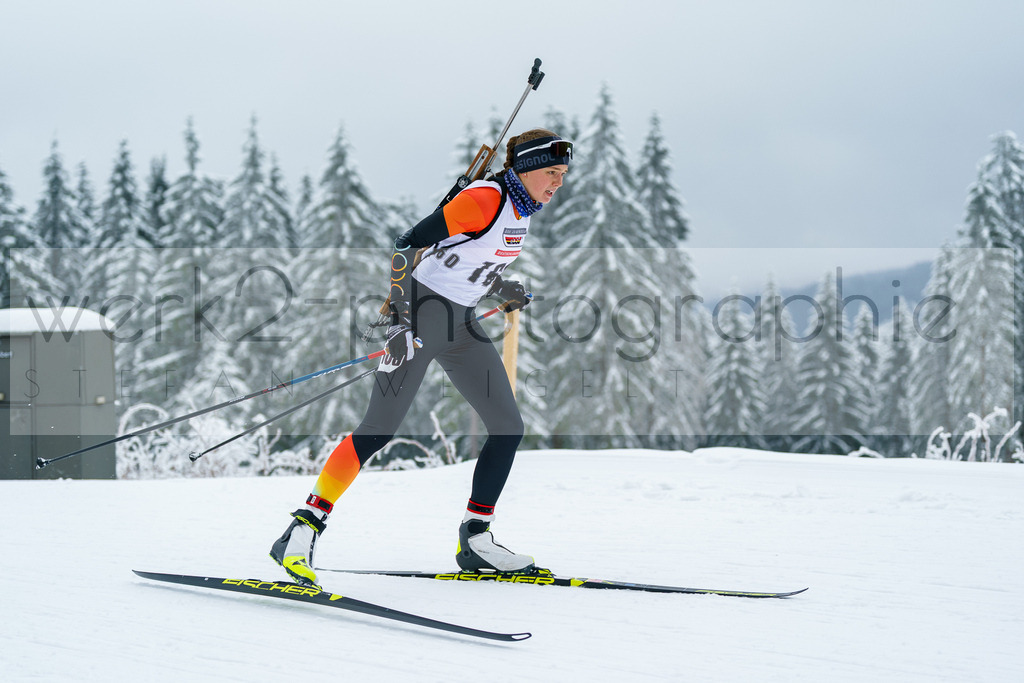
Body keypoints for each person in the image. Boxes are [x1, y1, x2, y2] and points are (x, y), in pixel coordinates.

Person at [270, 129, 572, 587]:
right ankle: (301, 530)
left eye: (564, 175)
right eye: (552, 173)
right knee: (377, 430)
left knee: (508, 428)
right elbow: (408, 244)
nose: (557, 183)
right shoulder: (486, 198)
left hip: (461, 326)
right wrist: (399, 322)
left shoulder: (522, 209)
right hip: (419, 314)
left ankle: (475, 539)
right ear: (527, 168)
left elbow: (467, 259)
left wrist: (499, 286)